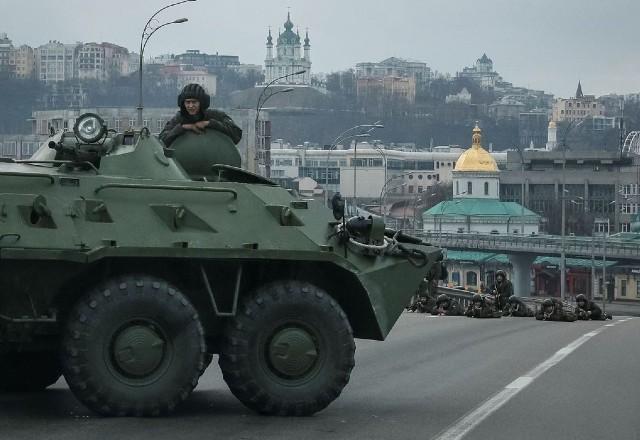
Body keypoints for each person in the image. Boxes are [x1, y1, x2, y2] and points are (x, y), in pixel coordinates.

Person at [159, 83, 242, 148]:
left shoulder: (214, 115)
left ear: (201, 103)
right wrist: (183, 127)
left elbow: (236, 134)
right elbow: (161, 141)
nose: (190, 106)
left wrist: (210, 124)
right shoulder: (179, 118)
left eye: (194, 102)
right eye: (187, 102)